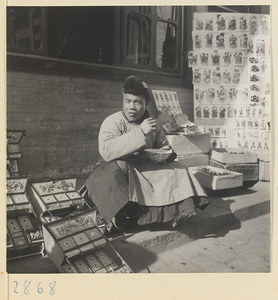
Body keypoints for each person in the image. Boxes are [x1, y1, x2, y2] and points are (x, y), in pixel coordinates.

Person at [85, 75, 209, 232]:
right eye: (128, 101)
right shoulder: (113, 121)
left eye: (137, 102)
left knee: (179, 168)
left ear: (146, 104)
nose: (132, 107)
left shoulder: (153, 122)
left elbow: (163, 146)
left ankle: (170, 215)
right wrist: (141, 132)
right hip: (122, 168)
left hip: (146, 166)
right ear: (123, 101)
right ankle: (120, 216)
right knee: (115, 171)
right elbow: (107, 152)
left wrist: (164, 154)